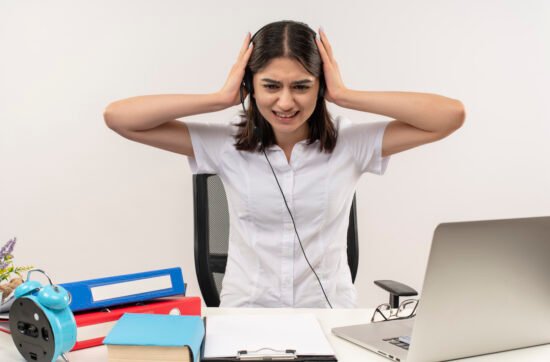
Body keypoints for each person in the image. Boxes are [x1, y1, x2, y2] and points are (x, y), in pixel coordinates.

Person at [103, 20, 465, 308]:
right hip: (246, 312)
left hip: (328, 315)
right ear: (250, 86)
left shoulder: (350, 143)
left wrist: (345, 95)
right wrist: (219, 98)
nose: (286, 102)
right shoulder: (225, 143)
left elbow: (449, 116)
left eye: (302, 86)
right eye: (271, 85)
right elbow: (120, 118)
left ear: (320, 87)